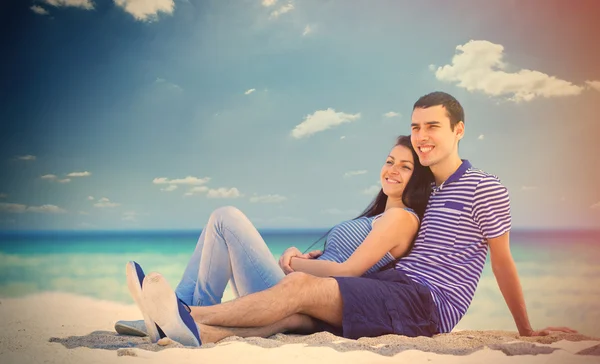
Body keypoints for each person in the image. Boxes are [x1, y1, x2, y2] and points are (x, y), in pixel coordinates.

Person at [125, 91, 576, 347]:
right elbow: (383, 244)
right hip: (394, 287)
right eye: (416, 127)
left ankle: (183, 312)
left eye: (432, 127)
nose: (422, 137)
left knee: (299, 290)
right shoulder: (425, 192)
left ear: (459, 130)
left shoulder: (484, 187)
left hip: (427, 303)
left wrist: (526, 330)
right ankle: (187, 329)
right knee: (294, 314)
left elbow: (502, 262)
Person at [118, 135, 434, 343]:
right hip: (292, 289)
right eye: (390, 161)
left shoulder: (402, 218)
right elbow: (341, 258)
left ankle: (179, 312)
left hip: (304, 299)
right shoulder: (378, 217)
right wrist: (305, 257)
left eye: (405, 167)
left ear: (417, 179)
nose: (392, 170)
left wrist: (295, 264)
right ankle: (177, 310)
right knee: (222, 220)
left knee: (225, 218)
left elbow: (351, 271)